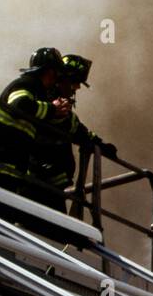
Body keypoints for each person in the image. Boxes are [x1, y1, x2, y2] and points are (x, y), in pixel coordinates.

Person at [0, 47, 67, 196]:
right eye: (57, 73)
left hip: (0, 169)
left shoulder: (38, 92)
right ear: (51, 72)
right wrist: (52, 109)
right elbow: (19, 105)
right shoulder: (27, 84)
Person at [24, 53, 116, 213]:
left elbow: (76, 128)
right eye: (75, 82)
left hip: (50, 183)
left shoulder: (54, 104)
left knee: (58, 230)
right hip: (38, 181)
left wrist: (98, 143)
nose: (77, 88)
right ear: (61, 80)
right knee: (55, 231)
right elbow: (70, 126)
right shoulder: (46, 102)